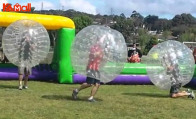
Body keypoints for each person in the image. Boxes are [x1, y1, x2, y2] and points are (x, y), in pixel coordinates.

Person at [72, 37, 105, 102]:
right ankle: (76, 90)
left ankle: (91, 97)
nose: (102, 43)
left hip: (97, 68)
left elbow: (102, 59)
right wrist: (99, 53)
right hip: (91, 67)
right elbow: (93, 55)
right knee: (89, 84)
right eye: (101, 41)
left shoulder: (101, 49)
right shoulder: (93, 48)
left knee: (97, 84)